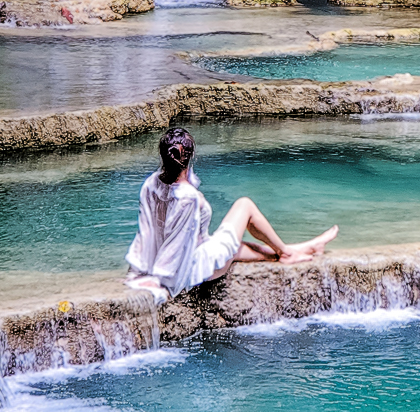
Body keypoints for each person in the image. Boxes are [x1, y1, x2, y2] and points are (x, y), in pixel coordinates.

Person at [125, 127, 338, 301]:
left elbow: (146, 233)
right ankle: (287, 252)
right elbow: (179, 243)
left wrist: (136, 269)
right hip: (198, 264)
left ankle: (301, 249)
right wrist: (162, 280)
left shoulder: (151, 184)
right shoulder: (189, 197)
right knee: (245, 205)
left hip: (190, 254)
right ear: (189, 158)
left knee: (242, 247)